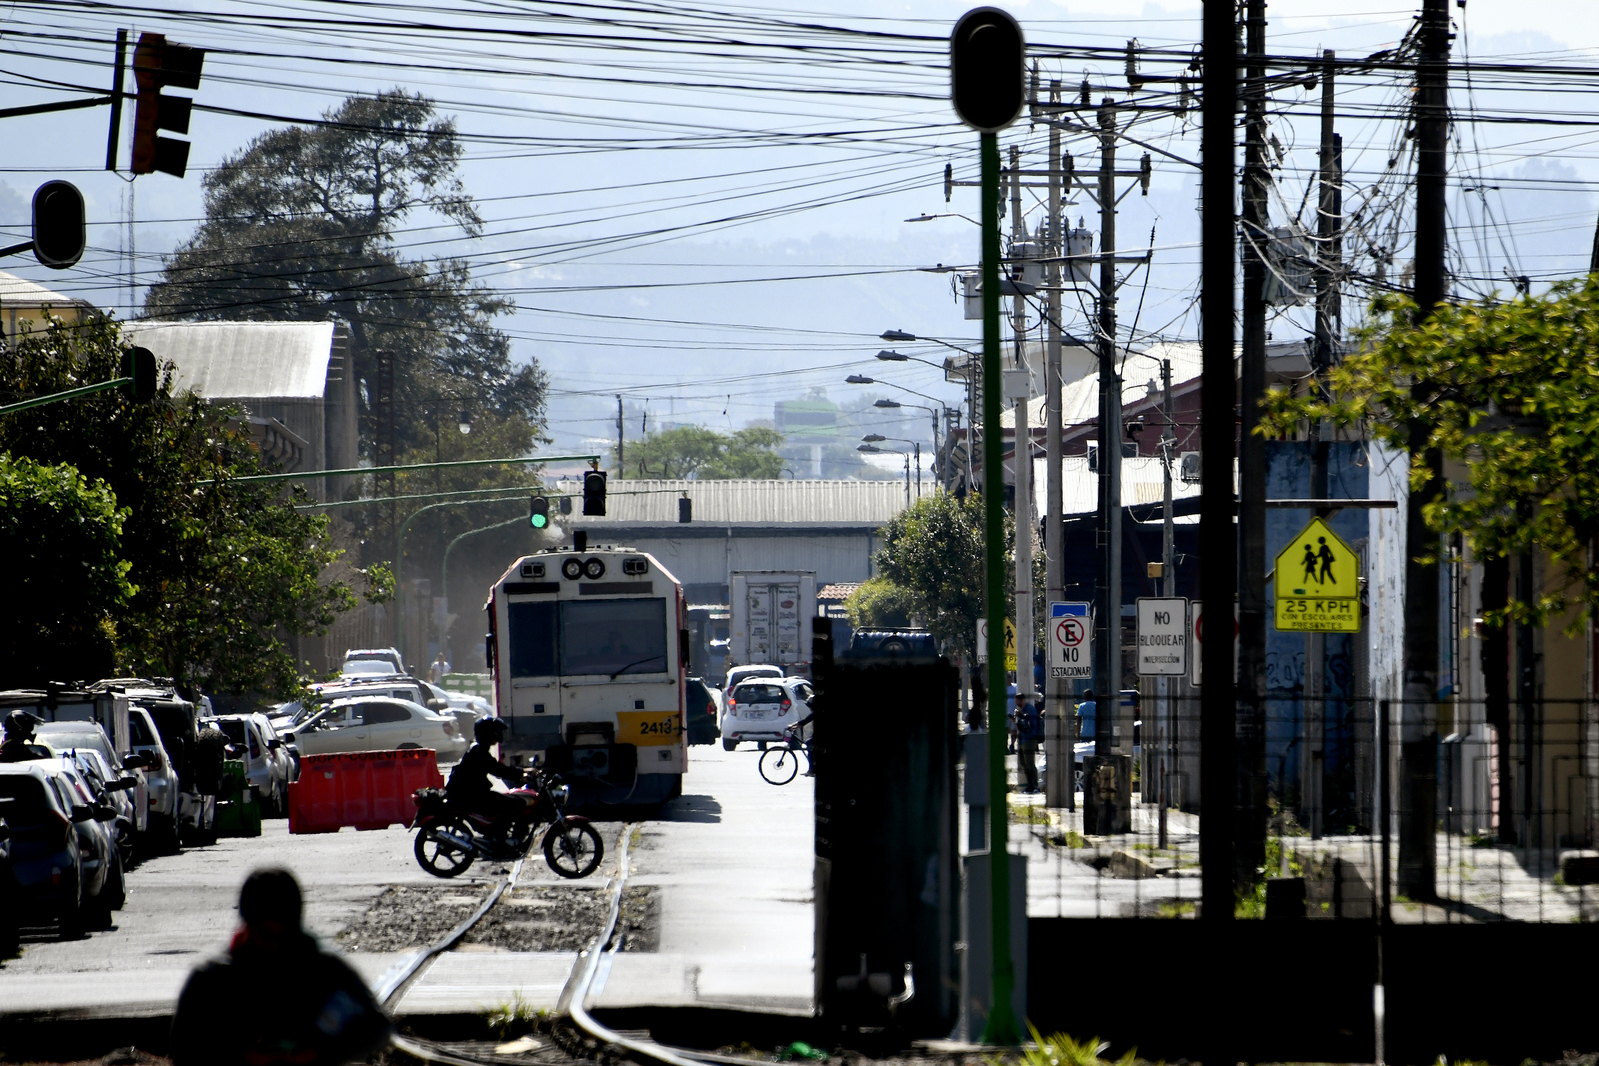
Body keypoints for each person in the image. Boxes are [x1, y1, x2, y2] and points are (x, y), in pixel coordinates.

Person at [170, 868, 391, 1066]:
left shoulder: (325, 971)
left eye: (282, 936)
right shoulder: (214, 979)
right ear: (247, 926)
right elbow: (183, 1050)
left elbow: (378, 1027)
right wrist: (238, 1055)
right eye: (264, 934)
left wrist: (321, 1051)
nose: (272, 946)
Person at [446, 718, 526, 854]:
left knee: (506, 801)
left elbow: (496, 767)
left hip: (470, 793)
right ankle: (500, 840)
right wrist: (521, 774)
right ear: (489, 733)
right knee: (515, 804)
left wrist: (523, 771)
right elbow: (498, 770)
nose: (498, 735)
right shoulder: (479, 751)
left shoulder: (479, 749)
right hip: (470, 795)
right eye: (496, 732)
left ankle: (498, 836)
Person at [1015, 693, 1042, 794]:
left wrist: (1021, 715)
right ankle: (1029, 785)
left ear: (1022, 700)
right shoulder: (1020, 710)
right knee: (1023, 764)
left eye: (1017, 701)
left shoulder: (1029, 708)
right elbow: (1021, 724)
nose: (1016, 703)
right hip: (1022, 739)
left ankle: (1035, 786)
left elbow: (1030, 721)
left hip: (1030, 739)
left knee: (1030, 763)